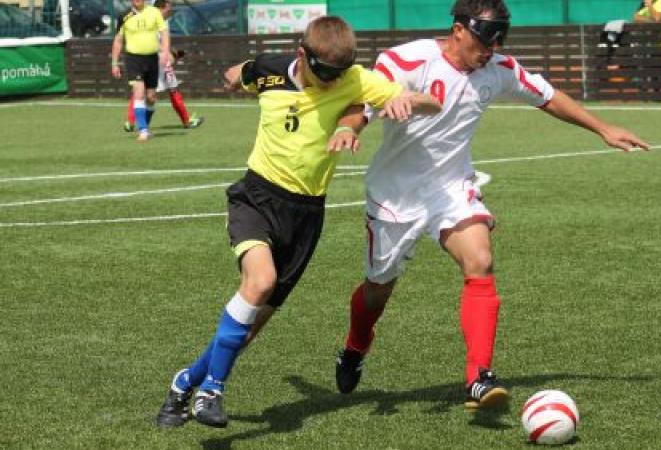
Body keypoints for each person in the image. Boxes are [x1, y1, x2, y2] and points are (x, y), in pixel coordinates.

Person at [332, 0, 650, 411]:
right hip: (395, 193)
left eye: (500, 37)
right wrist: (348, 126)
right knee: (378, 289)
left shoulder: (498, 69)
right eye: (486, 36)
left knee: (480, 260)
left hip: (451, 187)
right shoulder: (406, 60)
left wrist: (604, 129)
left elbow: (548, 97)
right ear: (459, 29)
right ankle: (355, 347)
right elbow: (363, 103)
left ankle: (478, 376)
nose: (492, 46)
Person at [153, 16, 441, 429]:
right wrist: (233, 76)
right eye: (324, 73)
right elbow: (239, 73)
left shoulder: (355, 79)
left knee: (251, 324)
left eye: (338, 75)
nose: (332, 83)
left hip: (306, 215)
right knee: (259, 281)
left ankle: (184, 383)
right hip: (256, 197)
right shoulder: (269, 69)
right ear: (301, 55)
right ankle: (211, 391)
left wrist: (406, 101)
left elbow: (432, 102)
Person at [123, 0, 204, 132]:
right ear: (161, 8)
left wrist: (173, 52)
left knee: (141, 90)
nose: (170, 10)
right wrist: (168, 54)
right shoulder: (153, 18)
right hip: (157, 61)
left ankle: (130, 122)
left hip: (152, 60)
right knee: (172, 89)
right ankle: (186, 121)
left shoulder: (156, 18)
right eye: (168, 8)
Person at [111, 0, 171, 142]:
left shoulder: (154, 12)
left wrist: (166, 52)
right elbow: (118, 40)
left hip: (152, 59)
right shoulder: (124, 16)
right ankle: (143, 131)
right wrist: (114, 63)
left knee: (151, 97)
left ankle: (144, 127)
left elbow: (164, 33)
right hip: (133, 59)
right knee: (138, 91)